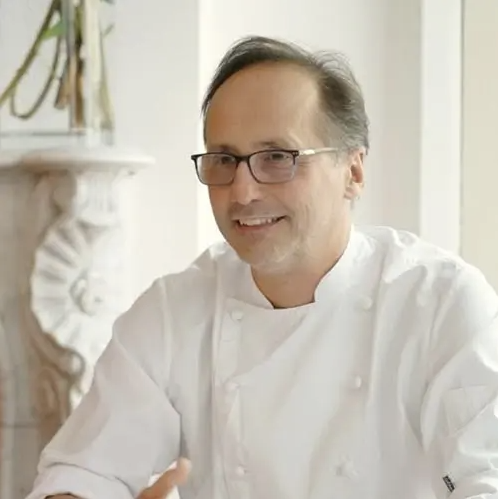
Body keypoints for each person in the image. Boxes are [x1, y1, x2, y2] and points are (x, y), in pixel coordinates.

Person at [27, 35, 498, 499]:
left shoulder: (440, 303)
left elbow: (486, 477)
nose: (243, 191)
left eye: (277, 158)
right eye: (224, 159)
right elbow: (82, 472)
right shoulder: (175, 312)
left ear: (353, 172)